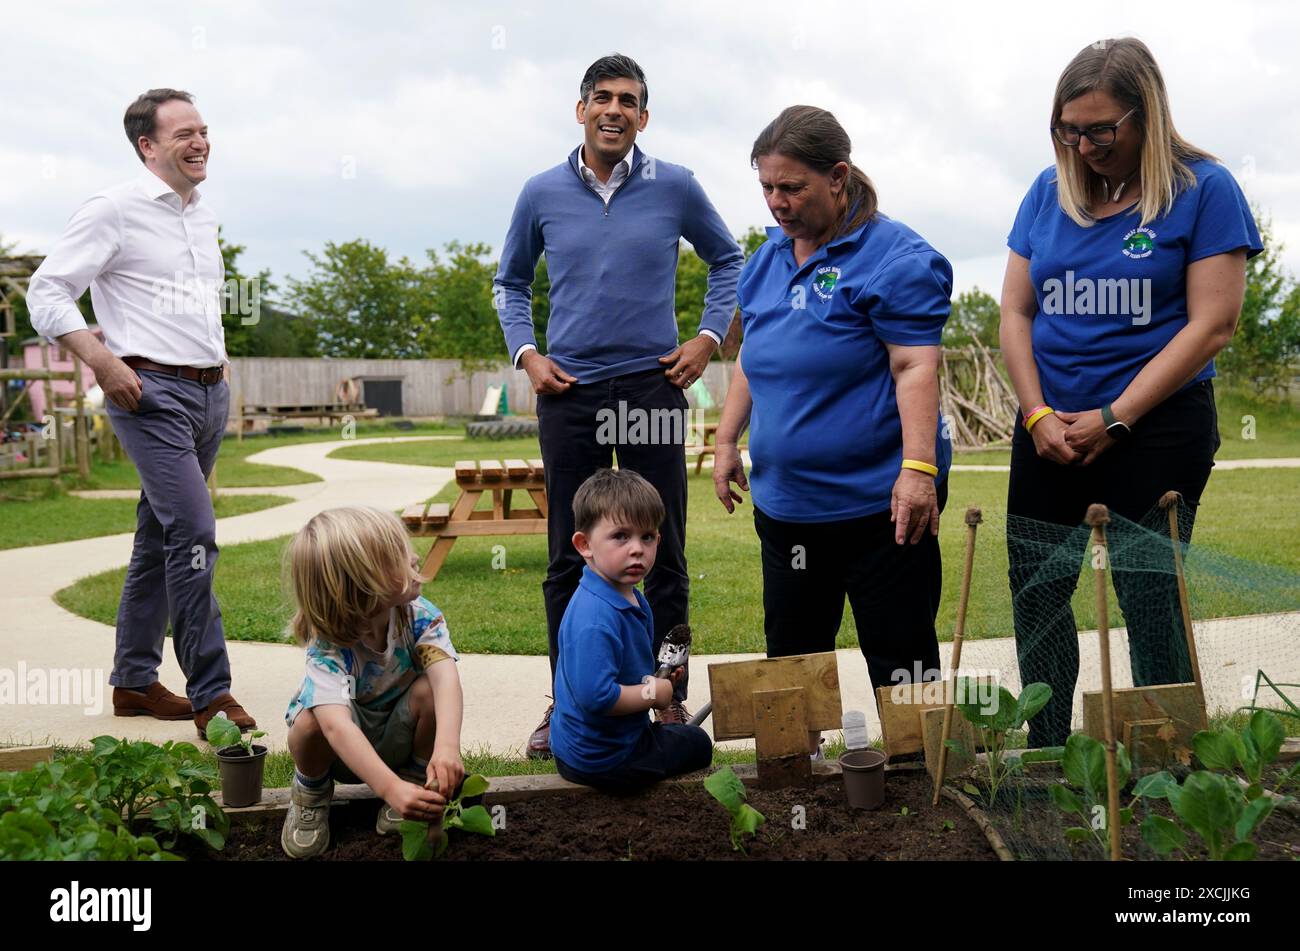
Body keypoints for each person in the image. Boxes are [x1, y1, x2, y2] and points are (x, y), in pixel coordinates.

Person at [999, 38, 1263, 747]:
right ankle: (1047, 753)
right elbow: (1016, 312)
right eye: (1068, 130)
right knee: (1040, 595)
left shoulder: (1205, 190)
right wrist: (1036, 413)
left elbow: (1213, 324)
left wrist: (1117, 416)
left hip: (1158, 430)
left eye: (1101, 129)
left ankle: (1168, 762)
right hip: (1050, 430)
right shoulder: (1044, 193)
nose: (1084, 146)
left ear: (1146, 115)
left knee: (1150, 599)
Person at [494, 53, 744, 756]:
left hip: (651, 385)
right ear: (580, 110)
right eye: (601, 98)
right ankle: (568, 699)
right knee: (566, 554)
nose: (614, 110)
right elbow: (509, 281)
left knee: (661, 553)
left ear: (643, 116)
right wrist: (528, 354)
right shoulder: (539, 191)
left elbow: (728, 260)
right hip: (567, 390)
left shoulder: (677, 187)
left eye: (628, 101)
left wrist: (704, 338)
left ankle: (667, 697)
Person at [713, 106, 954, 751]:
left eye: (791, 188)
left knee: (903, 660)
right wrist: (726, 441)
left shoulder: (896, 258)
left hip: (882, 508)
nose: (776, 202)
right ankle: (801, 794)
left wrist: (919, 471)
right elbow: (751, 360)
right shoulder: (765, 261)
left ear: (838, 177)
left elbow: (913, 367)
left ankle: (924, 779)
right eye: (766, 187)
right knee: (793, 665)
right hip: (788, 510)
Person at [27, 88, 257, 738]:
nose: (200, 141)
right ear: (147, 146)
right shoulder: (113, 209)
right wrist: (101, 363)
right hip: (146, 394)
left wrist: (218, 362)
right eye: (183, 132)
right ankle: (213, 694)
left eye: (204, 129)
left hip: (209, 393)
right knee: (194, 534)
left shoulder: (203, 216)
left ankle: (132, 678)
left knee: (159, 537)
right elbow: (47, 292)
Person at [280, 507, 465, 859]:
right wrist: (388, 788)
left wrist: (446, 748)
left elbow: (446, 681)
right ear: (363, 584)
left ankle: (414, 778)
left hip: (397, 739)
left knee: (429, 690)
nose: (413, 555)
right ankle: (312, 793)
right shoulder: (328, 648)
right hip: (340, 755)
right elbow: (336, 728)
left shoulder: (419, 617)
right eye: (398, 554)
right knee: (309, 723)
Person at [549, 469, 713, 792]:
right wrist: (655, 694)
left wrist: (658, 679)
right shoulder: (595, 617)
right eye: (621, 536)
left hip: (596, 743)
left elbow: (621, 671)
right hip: (604, 757)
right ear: (584, 544)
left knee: (682, 739)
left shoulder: (630, 596)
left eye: (647, 537)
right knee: (698, 744)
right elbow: (597, 697)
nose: (636, 548)